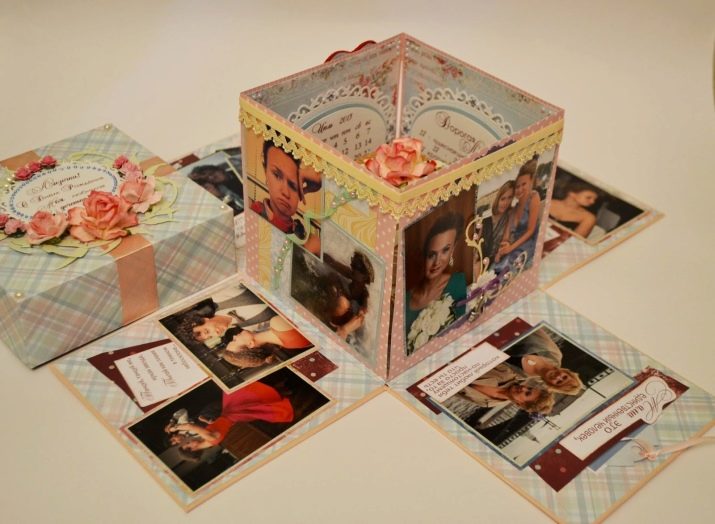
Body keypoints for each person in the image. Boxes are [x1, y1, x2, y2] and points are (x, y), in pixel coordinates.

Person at [167, 381, 294, 451]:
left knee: (251, 399)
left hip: (223, 413)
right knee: (252, 400)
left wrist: (173, 424)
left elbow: (186, 416)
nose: (187, 442)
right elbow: (190, 426)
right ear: (193, 449)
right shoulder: (206, 439)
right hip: (230, 415)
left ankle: (281, 389)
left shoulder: (206, 439)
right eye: (187, 444)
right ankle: (282, 391)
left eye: (174, 440)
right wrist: (174, 428)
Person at [250, 141, 321, 254]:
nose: (286, 193)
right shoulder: (255, 212)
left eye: (293, 185)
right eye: (277, 175)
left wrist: (320, 178)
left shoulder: (301, 232)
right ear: (265, 171)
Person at [405, 212, 467, 338]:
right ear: (423, 255)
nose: (437, 262)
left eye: (445, 250)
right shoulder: (405, 299)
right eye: (431, 255)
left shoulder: (459, 284)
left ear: (453, 248)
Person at [505, 328, 584, 395]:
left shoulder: (522, 375)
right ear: (567, 372)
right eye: (564, 377)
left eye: (558, 382)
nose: (558, 377)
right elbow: (535, 330)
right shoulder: (554, 354)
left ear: (551, 385)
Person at [496, 158, 542, 269]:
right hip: (514, 246)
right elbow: (506, 238)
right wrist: (501, 250)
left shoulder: (534, 197)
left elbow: (530, 230)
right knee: (496, 265)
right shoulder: (512, 211)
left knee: (509, 265)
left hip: (529, 243)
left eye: (524, 184)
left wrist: (510, 248)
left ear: (531, 182)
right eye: (517, 187)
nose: (520, 189)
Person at [457, 363, 555, 415]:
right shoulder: (507, 373)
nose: (524, 388)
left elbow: (454, 392)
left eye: (527, 393)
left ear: (521, 404)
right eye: (529, 388)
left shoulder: (488, 403)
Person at [480, 180, 515, 267]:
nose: (506, 203)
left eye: (509, 197)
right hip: (482, 259)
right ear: (498, 199)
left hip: (497, 260)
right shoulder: (486, 220)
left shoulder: (510, 216)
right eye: (503, 198)